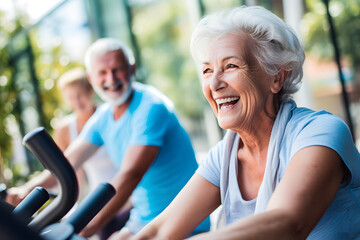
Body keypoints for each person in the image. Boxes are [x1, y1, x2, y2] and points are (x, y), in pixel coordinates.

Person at [126, 6, 360, 240]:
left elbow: (287, 224)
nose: (214, 83)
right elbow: (161, 230)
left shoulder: (320, 133)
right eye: (207, 70)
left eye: (231, 66)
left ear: (277, 77)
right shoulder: (224, 157)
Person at [6, 38, 210, 239]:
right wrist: (24, 191)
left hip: (182, 218)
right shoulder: (103, 117)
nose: (111, 79)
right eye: (102, 73)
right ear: (92, 78)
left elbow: (130, 175)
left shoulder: (151, 107)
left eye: (117, 70)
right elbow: (68, 162)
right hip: (143, 219)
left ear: (132, 69)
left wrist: (86, 227)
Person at [54, 67, 131, 240]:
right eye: (71, 98)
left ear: (90, 91)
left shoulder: (111, 115)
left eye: (80, 95)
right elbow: (71, 174)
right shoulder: (64, 130)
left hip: (127, 197)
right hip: (99, 201)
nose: (77, 102)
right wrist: (71, 210)